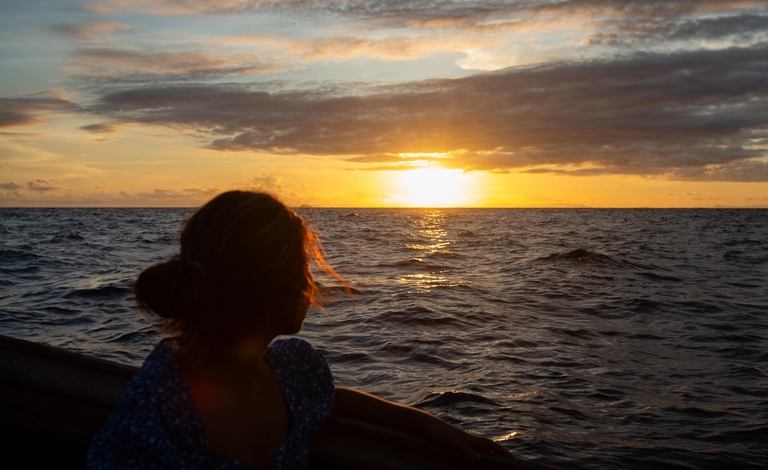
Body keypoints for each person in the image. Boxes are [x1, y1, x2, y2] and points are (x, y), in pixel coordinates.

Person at [87, 190, 510, 469]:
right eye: (304, 266)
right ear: (265, 286)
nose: (313, 282)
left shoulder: (291, 369)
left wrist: (426, 424)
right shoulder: (159, 406)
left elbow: (333, 399)